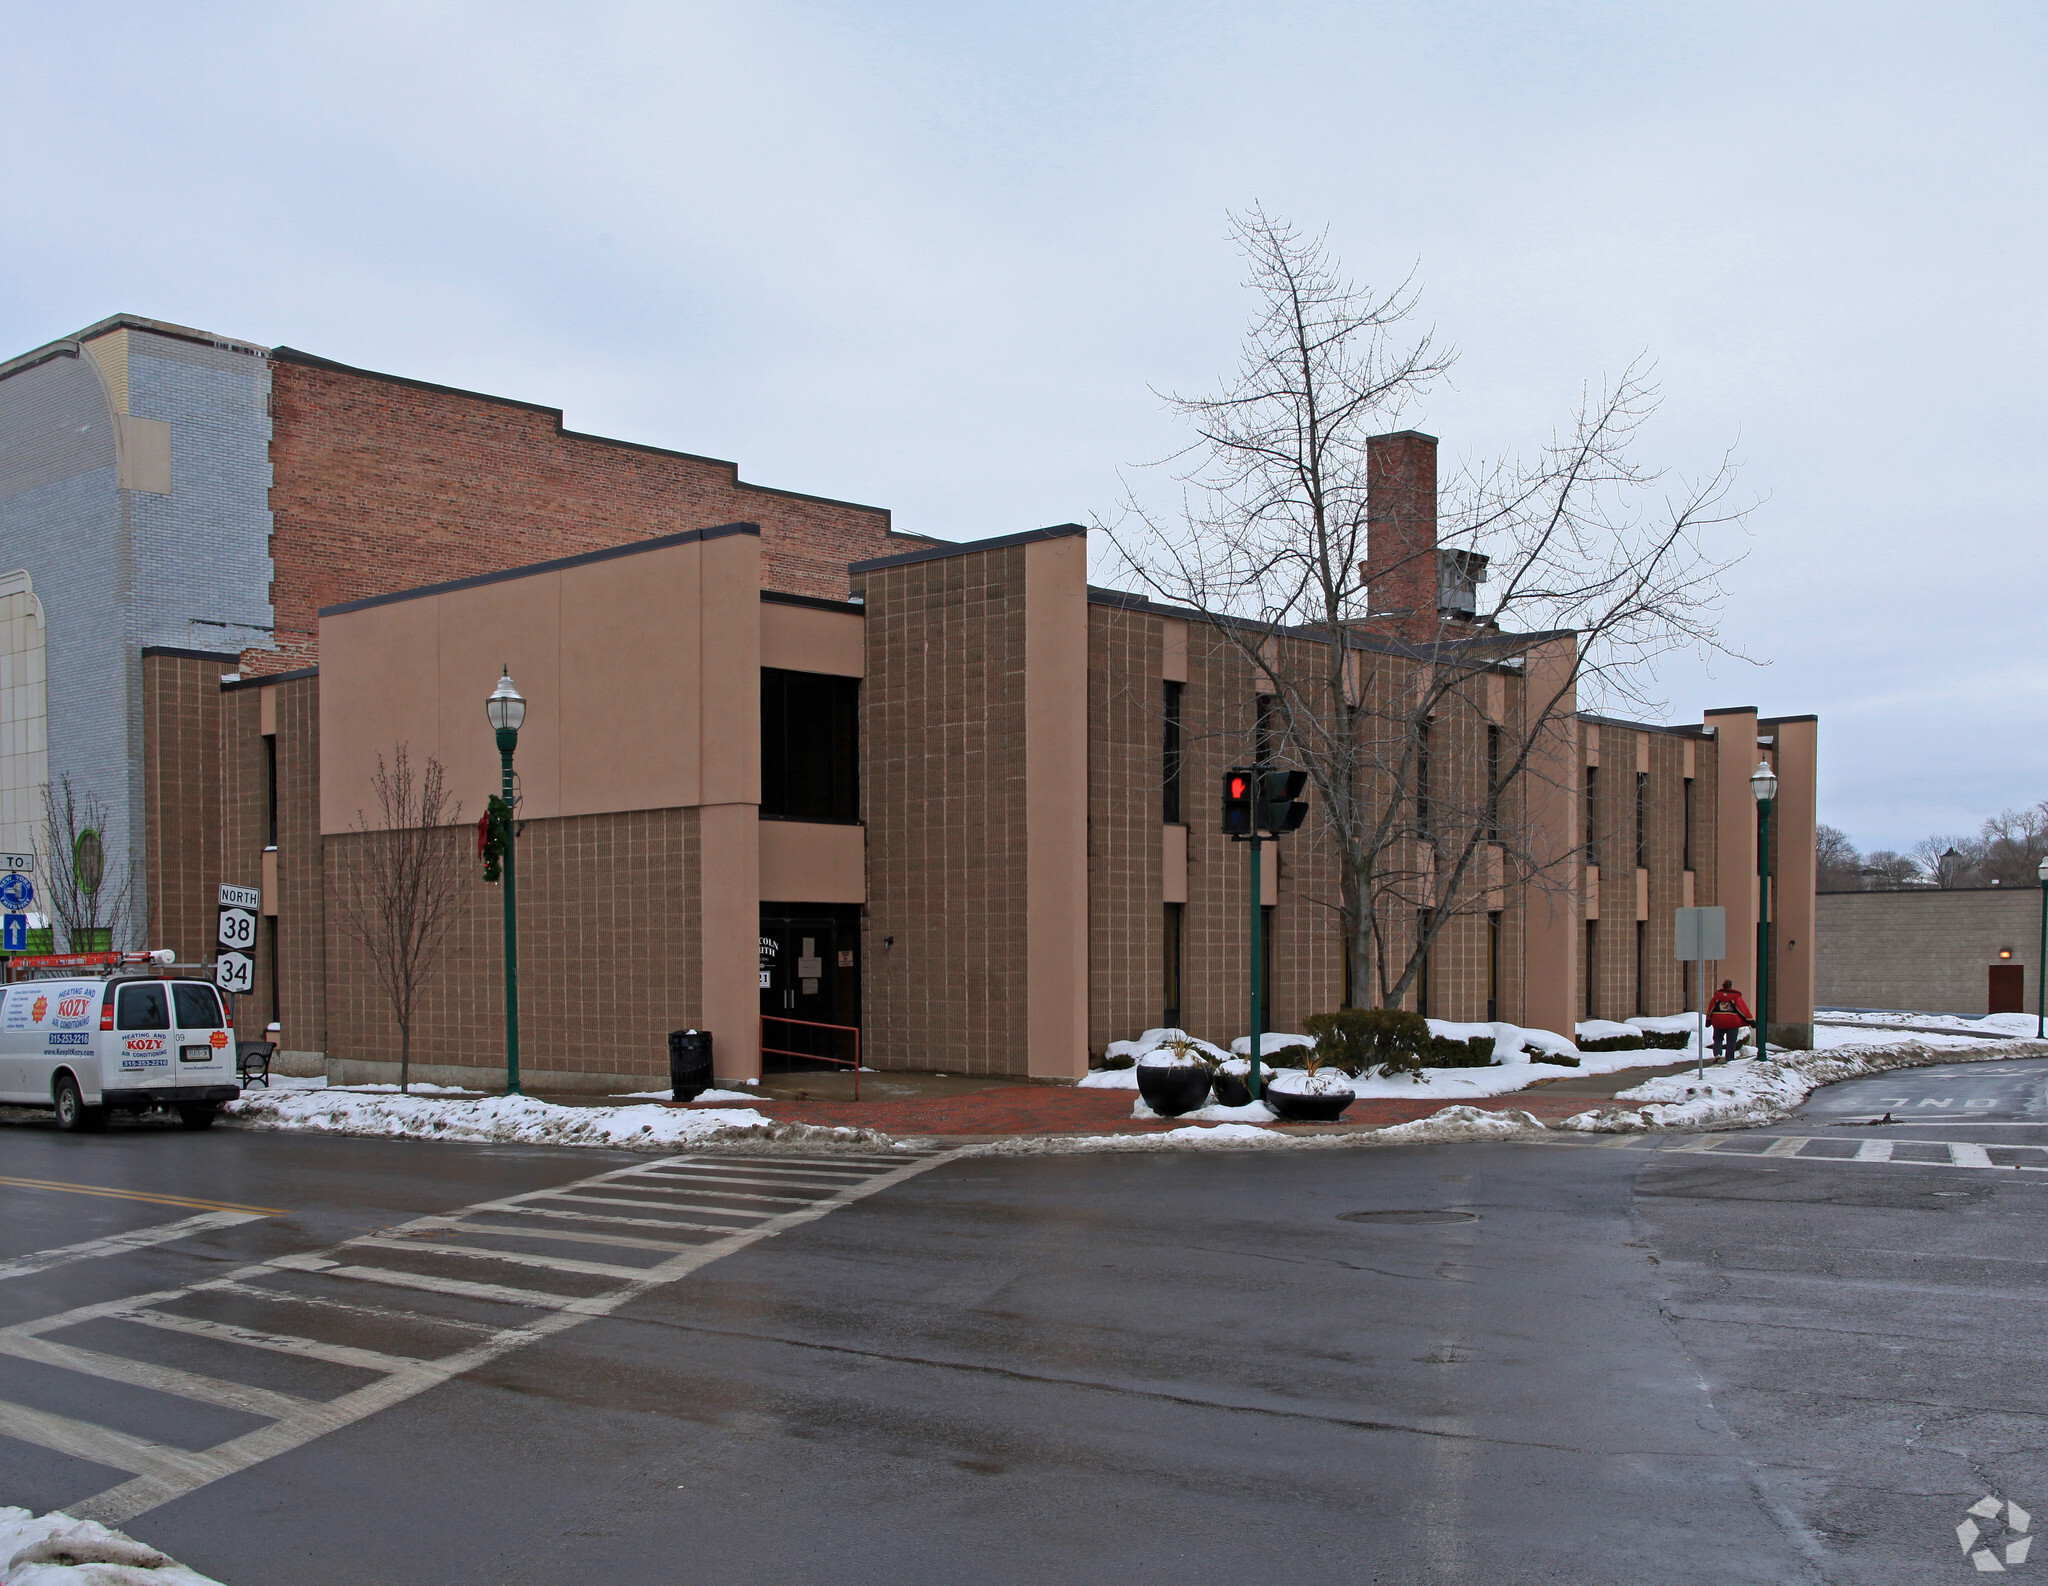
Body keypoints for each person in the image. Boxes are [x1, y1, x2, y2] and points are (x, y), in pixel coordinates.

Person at [1706, 979, 1753, 1060]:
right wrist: (1750, 1020)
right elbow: (1742, 1009)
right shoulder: (1736, 997)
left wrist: (1708, 1020)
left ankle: (1717, 1053)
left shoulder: (1717, 996)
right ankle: (1729, 1057)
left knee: (1717, 1039)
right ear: (1731, 986)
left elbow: (1711, 1008)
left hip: (1718, 1021)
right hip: (1732, 1022)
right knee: (1731, 1041)